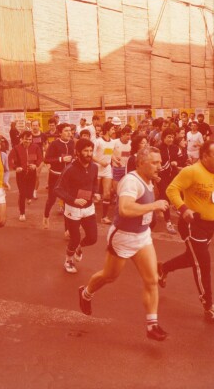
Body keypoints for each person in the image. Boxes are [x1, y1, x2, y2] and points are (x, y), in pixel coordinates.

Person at [78, 146, 169, 341]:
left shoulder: (149, 178)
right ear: (141, 163)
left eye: (159, 162)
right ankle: (86, 293)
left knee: (152, 279)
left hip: (143, 236)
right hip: (124, 237)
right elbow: (126, 209)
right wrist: (154, 205)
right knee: (110, 276)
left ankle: (152, 325)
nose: (159, 166)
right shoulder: (130, 181)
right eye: (154, 162)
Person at [157, 140, 214, 321]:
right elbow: (172, 190)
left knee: (193, 258)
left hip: (211, 225)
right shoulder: (191, 171)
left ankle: (164, 268)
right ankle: (208, 306)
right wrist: (183, 210)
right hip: (193, 224)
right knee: (203, 264)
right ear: (204, 156)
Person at [55, 138, 100, 273]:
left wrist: (96, 193)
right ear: (78, 152)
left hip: (89, 208)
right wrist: (73, 200)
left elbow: (94, 183)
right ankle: (68, 261)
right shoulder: (70, 169)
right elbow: (57, 189)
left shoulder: (94, 167)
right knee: (75, 238)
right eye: (85, 151)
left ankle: (79, 248)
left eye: (91, 151)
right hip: (72, 209)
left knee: (92, 238)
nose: (89, 153)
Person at [43, 123, 75, 229]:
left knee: (67, 202)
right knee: (52, 199)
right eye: (66, 131)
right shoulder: (54, 144)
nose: (69, 133)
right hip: (55, 176)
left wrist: (74, 160)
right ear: (60, 132)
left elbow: (74, 156)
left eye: (70, 130)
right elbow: (47, 159)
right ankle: (46, 216)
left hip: (68, 177)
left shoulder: (72, 143)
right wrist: (61, 159)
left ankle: (67, 229)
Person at [8, 131, 43, 221]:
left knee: (30, 190)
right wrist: (16, 168)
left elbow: (40, 158)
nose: (28, 141)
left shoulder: (35, 147)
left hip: (32, 173)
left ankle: (29, 196)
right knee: (22, 193)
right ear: (22, 139)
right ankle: (22, 213)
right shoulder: (16, 148)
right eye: (26, 139)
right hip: (21, 174)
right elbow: (10, 160)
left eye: (30, 139)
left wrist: (36, 165)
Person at [93, 121, 116, 224]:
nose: (114, 131)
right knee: (94, 195)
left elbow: (108, 153)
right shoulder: (97, 141)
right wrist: (100, 162)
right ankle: (89, 214)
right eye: (112, 129)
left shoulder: (112, 142)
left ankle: (104, 217)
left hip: (107, 170)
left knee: (107, 194)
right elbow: (91, 155)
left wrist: (115, 160)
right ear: (107, 130)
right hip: (96, 169)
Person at [158, 128, 178, 234]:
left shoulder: (175, 148)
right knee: (165, 196)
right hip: (161, 176)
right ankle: (168, 222)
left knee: (166, 197)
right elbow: (158, 164)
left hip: (173, 176)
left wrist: (176, 163)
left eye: (172, 137)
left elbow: (179, 159)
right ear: (163, 138)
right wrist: (169, 164)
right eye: (168, 137)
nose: (171, 139)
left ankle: (160, 207)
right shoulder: (158, 148)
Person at [30, 120, 48, 199]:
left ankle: (34, 192)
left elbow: (46, 145)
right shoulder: (29, 135)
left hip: (39, 158)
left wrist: (46, 152)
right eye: (33, 125)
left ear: (39, 126)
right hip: (30, 158)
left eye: (36, 125)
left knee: (36, 175)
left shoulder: (43, 135)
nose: (35, 127)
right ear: (31, 126)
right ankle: (29, 190)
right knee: (30, 175)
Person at [112, 126, 132, 194]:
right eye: (127, 134)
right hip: (117, 168)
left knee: (126, 186)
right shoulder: (114, 142)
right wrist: (114, 159)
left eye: (130, 134)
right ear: (122, 134)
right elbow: (107, 152)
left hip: (128, 168)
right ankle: (116, 196)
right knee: (116, 187)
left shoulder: (131, 144)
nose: (128, 136)